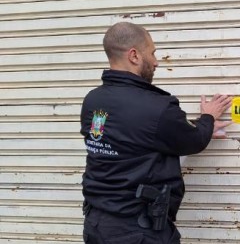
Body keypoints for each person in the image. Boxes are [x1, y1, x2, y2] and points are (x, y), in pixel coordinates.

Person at [80, 22, 232, 243]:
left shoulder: (93, 100)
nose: (156, 61)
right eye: (152, 53)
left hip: (96, 226)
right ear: (134, 55)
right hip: (137, 232)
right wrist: (207, 118)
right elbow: (193, 141)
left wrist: (199, 127)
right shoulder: (156, 108)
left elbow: (134, 133)